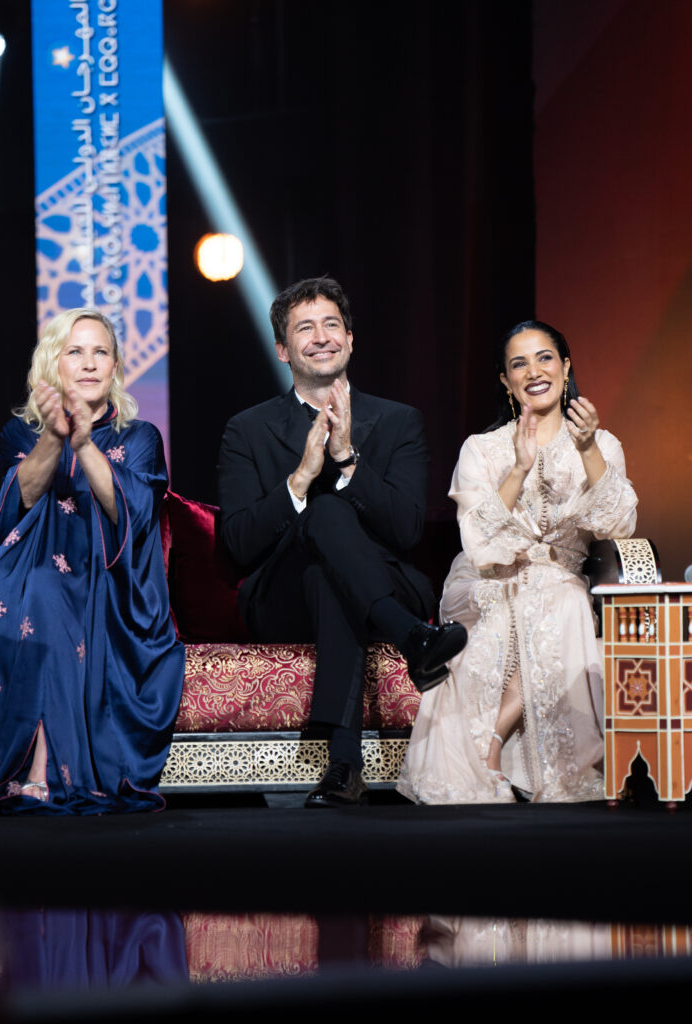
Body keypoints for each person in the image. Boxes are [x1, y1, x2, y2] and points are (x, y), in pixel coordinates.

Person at [217, 276, 467, 808]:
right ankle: (415, 641)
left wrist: (349, 457)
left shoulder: (398, 421)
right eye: (305, 328)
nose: (322, 336)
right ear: (284, 349)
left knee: (329, 575)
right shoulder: (248, 429)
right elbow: (238, 544)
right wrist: (301, 480)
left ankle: (344, 767)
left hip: (385, 586)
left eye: (332, 324)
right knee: (321, 521)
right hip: (282, 599)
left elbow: (406, 530)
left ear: (351, 339)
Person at [398, 320, 637, 804]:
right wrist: (521, 469)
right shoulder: (482, 449)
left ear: (566, 367)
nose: (534, 371)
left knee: (560, 594)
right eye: (519, 363)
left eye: (545, 357)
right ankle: (493, 756)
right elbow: (479, 539)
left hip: (560, 584)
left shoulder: (603, 444)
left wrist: (587, 448)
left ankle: (491, 746)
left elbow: (618, 524)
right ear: (506, 381)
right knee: (542, 598)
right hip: (489, 578)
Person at [0, 308, 184, 813]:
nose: (89, 363)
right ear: (54, 363)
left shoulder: (140, 438)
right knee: (37, 590)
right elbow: (22, 496)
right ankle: (32, 765)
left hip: (113, 579)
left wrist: (86, 444)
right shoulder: (20, 433)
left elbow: (129, 512)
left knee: (55, 593)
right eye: (75, 351)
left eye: (101, 352)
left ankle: (43, 771)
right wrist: (55, 434)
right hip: (30, 567)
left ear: (114, 367)